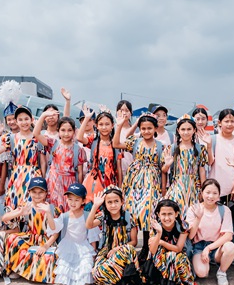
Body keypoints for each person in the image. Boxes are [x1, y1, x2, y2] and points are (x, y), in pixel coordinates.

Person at [114, 114, 167, 264]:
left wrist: (163, 190)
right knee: (133, 212)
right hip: (134, 181)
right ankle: (130, 244)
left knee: (147, 212)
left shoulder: (161, 145)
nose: (146, 131)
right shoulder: (135, 142)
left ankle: (146, 245)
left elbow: (163, 169)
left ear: (155, 128)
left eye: (149, 128)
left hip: (152, 181)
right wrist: (119, 125)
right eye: (143, 128)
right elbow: (116, 143)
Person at [2, 177, 62, 283]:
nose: (37, 195)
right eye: (34, 192)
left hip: (45, 240)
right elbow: (5, 218)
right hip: (29, 238)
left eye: (40, 192)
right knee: (11, 238)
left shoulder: (52, 209)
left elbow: (55, 233)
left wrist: (45, 246)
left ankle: (25, 269)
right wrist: (20, 213)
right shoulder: (26, 206)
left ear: (46, 193)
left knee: (43, 263)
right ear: (29, 192)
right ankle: (17, 268)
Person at [87, 186, 142, 285]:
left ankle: (119, 277)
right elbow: (89, 225)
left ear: (122, 202)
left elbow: (134, 242)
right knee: (98, 274)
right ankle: (119, 277)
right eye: (109, 202)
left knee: (127, 249)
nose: (113, 205)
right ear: (105, 204)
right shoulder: (104, 216)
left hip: (124, 252)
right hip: (106, 252)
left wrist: (117, 249)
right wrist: (95, 206)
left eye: (116, 201)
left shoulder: (129, 217)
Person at [0, 106, 42, 209]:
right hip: (16, 176)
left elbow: (43, 162)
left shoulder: (37, 138)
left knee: (31, 207)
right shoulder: (9, 138)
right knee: (14, 207)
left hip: (33, 176)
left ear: (31, 120)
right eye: (20, 119)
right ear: (16, 121)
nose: (24, 122)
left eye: (26, 119)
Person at [187, 179, 234, 285]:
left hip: (216, 246)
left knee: (230, 247)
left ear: (219, 195)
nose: (211, 196)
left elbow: (228, 235)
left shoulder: (224, 210)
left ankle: (222, 272)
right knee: (202, 273)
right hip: (199, 246)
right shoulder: (194, 209)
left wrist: (209, 248)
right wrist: (198, 218)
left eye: (215, 193)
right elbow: (190, 236)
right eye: (208, 192)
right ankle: (201, 262)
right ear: (202, 193)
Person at [34, 113, 86, 212]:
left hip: (69, 184)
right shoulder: (53, 143)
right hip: (53, 182)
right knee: (51, 211)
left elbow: (79, 173)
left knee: (66, 211)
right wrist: (43, 115)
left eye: (69, 130)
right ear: (58, 131)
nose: (66, 134)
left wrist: (79, 192)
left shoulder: (78, 150)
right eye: (63, 130)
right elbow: (36, 133)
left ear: (74, 132)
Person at [143, 199, 195, 285]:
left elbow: (178, 248)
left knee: (173, 255)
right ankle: (164, 278)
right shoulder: (156, 227)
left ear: (176, 214)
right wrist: (159, 233)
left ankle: (172, 280)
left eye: (170, 214)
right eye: (163, 214)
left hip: (177, 259)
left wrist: (162, 242)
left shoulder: (183, 226)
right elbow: (153, 251)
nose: (167, 218)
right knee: (163, 253)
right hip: (160, 261)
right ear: (158, 215)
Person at [162, 114, 208, 215]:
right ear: (178, 130)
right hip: (176, 187)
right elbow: (164, 171)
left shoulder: (201, 149)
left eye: (189, 129)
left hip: (194, 188)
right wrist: (167, 165)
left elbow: (202, 171)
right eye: (183, 129)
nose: (186, 132)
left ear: (194, 130)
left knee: (192, 216)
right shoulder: (171, 149)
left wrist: (203, 190)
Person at [54, 183, 98, 285]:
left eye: (77, 200)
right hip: (68, 246)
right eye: (70, 199)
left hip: (83, 246)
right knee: (65, 270)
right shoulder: (64, 216)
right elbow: (54, 231)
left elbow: (92, 236)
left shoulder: (87, 216)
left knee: (85, 270)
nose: (73, 203)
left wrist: (93, 254)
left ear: (83, 201)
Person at [77, 107, 122, 203]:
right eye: (101, 124)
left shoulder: (116, 143)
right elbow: (79, 138)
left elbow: (119, 168)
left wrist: (120, 188)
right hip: (93, 182)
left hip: (110, 182)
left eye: (107, 124)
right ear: (96, 126)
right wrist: (86, 118)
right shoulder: (93, 140)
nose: (104, 127)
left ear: (112, 125)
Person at [116, 100, 134, 175]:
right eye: (121, 110)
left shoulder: (135, 130)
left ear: (131, 112)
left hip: (132, 169)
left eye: (127, 110)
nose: (124, 113)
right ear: (117, 112)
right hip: (117, 170)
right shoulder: (113, 129)